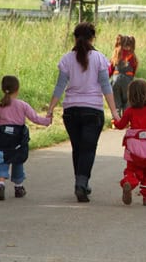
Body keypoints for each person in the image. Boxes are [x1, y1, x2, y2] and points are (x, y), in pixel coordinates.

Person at [47, 22, 119, 203]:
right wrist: (114, 112)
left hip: (71, 111)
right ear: (92, 37)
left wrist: (50, 109)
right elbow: (105, 86)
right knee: (88, 149)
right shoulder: (100, 58)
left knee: (77, 148)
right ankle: (81, 183)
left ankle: (81, 183)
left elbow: (60, 86)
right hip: (93, 110)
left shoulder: (66, 59)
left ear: (75, 37)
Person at [0, 75, 51, 201]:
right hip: (17, 139)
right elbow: (35, 118)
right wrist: (47, 121)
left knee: (2, 159)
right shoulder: (22, 105)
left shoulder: (0, 107)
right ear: (17, 89)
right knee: (18, 160)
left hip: (2, 138)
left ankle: (0, 183)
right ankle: (18, 186)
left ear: (3, 89)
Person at [111, 79, 146, 207]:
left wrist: (115, 120)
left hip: (134, 147)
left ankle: (129, 181)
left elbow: (120, 125)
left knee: (132, 169)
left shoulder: (130, 111)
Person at [109, 34, 138, 119]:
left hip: (115, 79)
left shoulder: (116, 53)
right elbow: (134, 68)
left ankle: (116, 121)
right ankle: (126, 120)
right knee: (127, 101)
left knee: (116, 101)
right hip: (128, 80)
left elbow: (110, 68)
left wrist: (108, 76)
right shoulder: (132, 55)